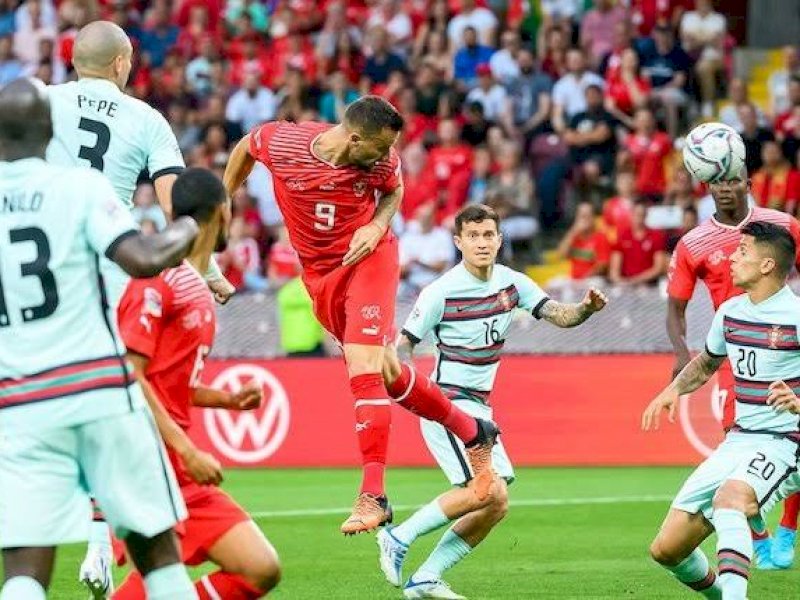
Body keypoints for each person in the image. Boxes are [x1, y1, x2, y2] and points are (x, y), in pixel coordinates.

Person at [223, 96, 500, 536]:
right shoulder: (286, 143)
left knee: (363, 368)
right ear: (353, 139)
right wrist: (226, 197)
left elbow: (394, 191)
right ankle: (473, 432)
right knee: (388, 373)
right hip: (321, 276)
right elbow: (246, 146)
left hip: (370, 259)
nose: (387, 158)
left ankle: (375, 494)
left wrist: (377, 225)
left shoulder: (379, 161)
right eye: (378, 149)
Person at [43, 21, 235, 592]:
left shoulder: (43, 104)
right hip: (109, 272)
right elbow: (181, 206)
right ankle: (103, 546)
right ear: (124, 62)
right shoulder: (146, 119)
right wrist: (211, 264)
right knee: (113, 407)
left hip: (45, 272)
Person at [0, 77, 201, 600]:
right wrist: (188, 227)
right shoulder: (80, 186)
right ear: (49, 131)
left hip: (19, 401)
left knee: (23, 565)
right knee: (156, 550)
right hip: (97, 387)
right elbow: (142, 258)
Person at [377, 204, 608, 599]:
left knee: (496, 502)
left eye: (488, 236)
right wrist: (417, 396)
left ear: (499, 240)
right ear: (458, 242)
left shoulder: (512, 284)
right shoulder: (441, 291)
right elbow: (403, 349)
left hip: (480, 409)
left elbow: (559, 315)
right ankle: (398, 538)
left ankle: (425, 578)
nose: (482, 243)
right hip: (448, 405)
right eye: (473, 236)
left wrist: (586, 309)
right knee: (486, 491)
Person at [113, 168, 281, 600]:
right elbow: (128, 375)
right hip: (151, 464)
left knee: (260, 569)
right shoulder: (161, 277)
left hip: (177, 465)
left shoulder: (197, 286)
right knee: (161, 580)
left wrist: (225, 400)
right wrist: (187, 450)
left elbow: (167, 380)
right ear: (222, 213)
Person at [643, 220, 800, 599]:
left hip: (786, 441)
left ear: (767, 265)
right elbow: (708, 363)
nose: (732, 257)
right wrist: (673, 390)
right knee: (667, 548)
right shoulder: (731, 310)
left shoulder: (796, 315)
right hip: (739, 441)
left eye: (742, 251)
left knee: (730, 500)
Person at [667, 166, 800, 569]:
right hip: (730, 348)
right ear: (707, 187)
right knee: (740, 440)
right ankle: (757, 535)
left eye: (732, 180)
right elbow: (675, 306)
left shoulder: (782, 225)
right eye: (717, 182)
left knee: (787, 433)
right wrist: (680, 355)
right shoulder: (693, 242)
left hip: (783, 340)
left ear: (748, 184)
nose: (725, 188)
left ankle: (788, 530)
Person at [609, 202, 668, 286]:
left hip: (647, 284)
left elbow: (658, 267)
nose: (639, 218)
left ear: (646, 216)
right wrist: (620, 281)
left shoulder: (656, 236)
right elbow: (614, 268)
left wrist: (635, 281)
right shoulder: (622, 236)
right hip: (625, 283)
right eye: (636, 214)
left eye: (642, 215)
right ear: (631, 215)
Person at [557, 201, 611, 280]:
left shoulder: (601, 237)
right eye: (582, 216)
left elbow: (602, 266)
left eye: (588, 215)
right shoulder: (574, 235)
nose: (585, 219)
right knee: (551, 285)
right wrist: (573, 231)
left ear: (593, 218)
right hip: (573, 279)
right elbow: (561, 254)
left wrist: (583, 279)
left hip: (593, 279)